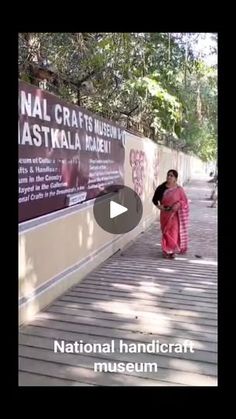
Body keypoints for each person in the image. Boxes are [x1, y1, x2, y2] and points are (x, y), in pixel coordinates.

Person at [152, 170, 189, 259]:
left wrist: (178, 204)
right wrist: (159, 207)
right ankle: (166, 250)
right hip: (165, 214)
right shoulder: (161, 188)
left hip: (175, 215)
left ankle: (171, 250)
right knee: (166, 232)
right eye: (168, 175)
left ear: (175, 178)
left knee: (174, 232)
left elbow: (185, 201)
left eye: (171, 176)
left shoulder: (179, 189)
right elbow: (154, 200)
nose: (169, 177)